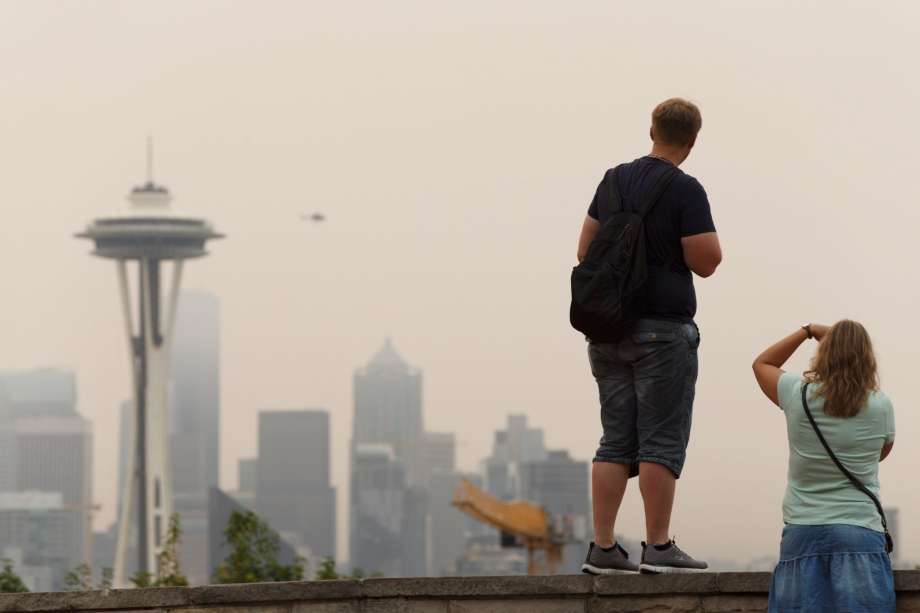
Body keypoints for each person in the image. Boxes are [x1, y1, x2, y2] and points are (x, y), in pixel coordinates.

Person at [577, 98, 722, 574]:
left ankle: (602, 548)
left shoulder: (613, 180)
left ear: (651, 130)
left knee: (614, 439)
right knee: (660, 439)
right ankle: (658, 546)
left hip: (608, 328)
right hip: (662, 329)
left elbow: (585, 250)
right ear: (693, 140)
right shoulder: (685, 189)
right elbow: (706, 259)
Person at [752, 321, 895, 612]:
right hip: (860, 530)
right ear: (867, 357)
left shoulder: (797, 392)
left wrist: (807, 331)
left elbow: (762, 363)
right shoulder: (881, 405)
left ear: (825, 352)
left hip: (803, 532)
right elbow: (879, 454)